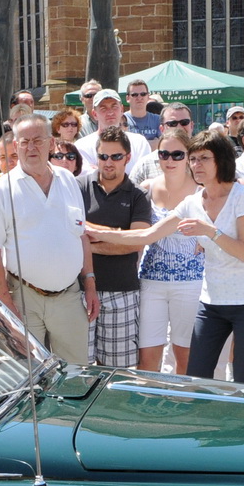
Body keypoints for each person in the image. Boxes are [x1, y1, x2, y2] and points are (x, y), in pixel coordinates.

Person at [0, 116, 99, 363]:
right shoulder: (1, 190)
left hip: (69, 298)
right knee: (30, 377)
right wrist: (6, 305)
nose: (31, 148)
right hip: (24, 299)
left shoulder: (69, 181)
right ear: (16, 146)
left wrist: (90, 283)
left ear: (51, 143)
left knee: (75, 375)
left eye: (37, 140)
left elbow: (81, 236)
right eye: (24, 142)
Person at [177, 132, 244, 383]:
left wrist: (209, 232)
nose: (196, 165)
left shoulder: (243, 195)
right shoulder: (192, 202)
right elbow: (151, 233)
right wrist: (93, 230)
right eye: (192, 159)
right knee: (197, 377)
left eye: (204, 158)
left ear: (222, 160)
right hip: (211, 303)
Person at [77, 126, 164, 367]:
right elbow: (70, 231)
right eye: (103, 156)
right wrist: (118, 235)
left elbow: (136, 241)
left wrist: (89, 240)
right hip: (79, 291)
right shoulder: (78, 187)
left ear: (127, 157)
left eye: (116, 156)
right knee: (78, 370)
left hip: (122, 293)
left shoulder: (138, 195)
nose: (108, 162)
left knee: (117, 375)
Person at [137, 128, 204, 373]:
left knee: (185, 359)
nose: (169, 160)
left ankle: (182, 408)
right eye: (164, 154)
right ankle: (148, 407)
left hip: (191, 283)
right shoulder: (146, 188)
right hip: (151, 281)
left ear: (188, 156)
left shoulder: (202, 191)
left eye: (177, 154)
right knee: (146, 359)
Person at [75, 88, 151, 172]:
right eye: (103, 108)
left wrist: (99, 171)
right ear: (94, 114)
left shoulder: (139, 142)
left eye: (114, 107)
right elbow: (86, 178)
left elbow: (143, 174)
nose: (110, 112)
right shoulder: (81, 146)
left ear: (121, 110)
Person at [129, 104, 197, 186]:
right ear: (161, 129)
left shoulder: (202, 162)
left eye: (184, 122)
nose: (179, 127)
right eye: (172, 123)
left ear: (192, 126)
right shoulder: (144, 165)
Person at [123, 78, 162, 144]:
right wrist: (152, 143)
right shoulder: (122, 120)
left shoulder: (158, 120)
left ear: (148, 97)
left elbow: (162, 146)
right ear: (127, 98)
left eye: (143, 94)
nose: (139, 97)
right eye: (134, 95)